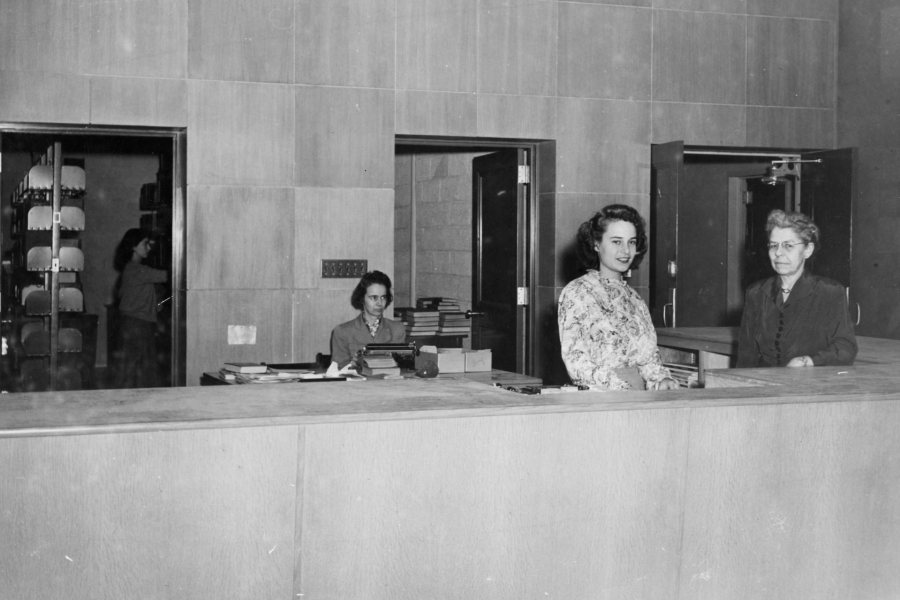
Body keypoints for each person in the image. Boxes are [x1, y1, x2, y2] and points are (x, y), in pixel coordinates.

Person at [558, 204, 677, 391]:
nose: (626, 251)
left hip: (640, 399)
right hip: (602, 401)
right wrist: (620, 386)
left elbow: (649, 360)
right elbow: (577, 363)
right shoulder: (577, 292)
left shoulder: (635, 299)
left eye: (631, 242)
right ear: (596, 244)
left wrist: (661, 379)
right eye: (616, 242)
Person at [737, 209, 857, 367]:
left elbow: (846, 348)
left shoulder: (830, 292)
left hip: (810, 385)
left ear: (808, 250)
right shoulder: (756, 293)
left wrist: (810, 361)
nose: (778, 253)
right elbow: (746, 355)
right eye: (773, 245)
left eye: (788, 246)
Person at [113, 228, 167, 387]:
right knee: (136, 374)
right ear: (133, 246)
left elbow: (144, 297)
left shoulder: (133, 269)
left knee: (135, 373)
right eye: (145, 244)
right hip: (137, 326)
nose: (149, 248)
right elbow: (166, 275)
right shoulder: (136, 269)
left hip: (137, 324)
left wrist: (156, 303)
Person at [330, 270, 406, 369]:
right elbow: (338, 368)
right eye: (374, 298)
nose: (379, 303)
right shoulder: (342, 331)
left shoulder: (397, 329)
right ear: (362, 299)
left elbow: (401, 366)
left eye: (383, 297)